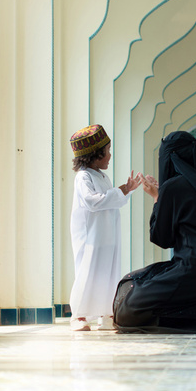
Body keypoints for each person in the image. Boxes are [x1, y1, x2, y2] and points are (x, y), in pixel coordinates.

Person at [113, 131, 196, 333]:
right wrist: (163, 197)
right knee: (140, 284)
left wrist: (159, 199)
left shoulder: (173, 187)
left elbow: (161, 238)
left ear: (170, 159)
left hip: (194, 271)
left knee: (127, 305)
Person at [69, 124, 141, 331]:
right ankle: (79, 316)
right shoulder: (83, 177)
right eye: (107, 151)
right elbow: (93, 202)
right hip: (90, 237)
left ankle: (106, 314)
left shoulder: (102, 176)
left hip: (107, 236)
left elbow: (112, 201)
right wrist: (122, 189)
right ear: (95, 154)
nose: (110, 155)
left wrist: (127, 190)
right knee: (88, 272)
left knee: (108, 273)